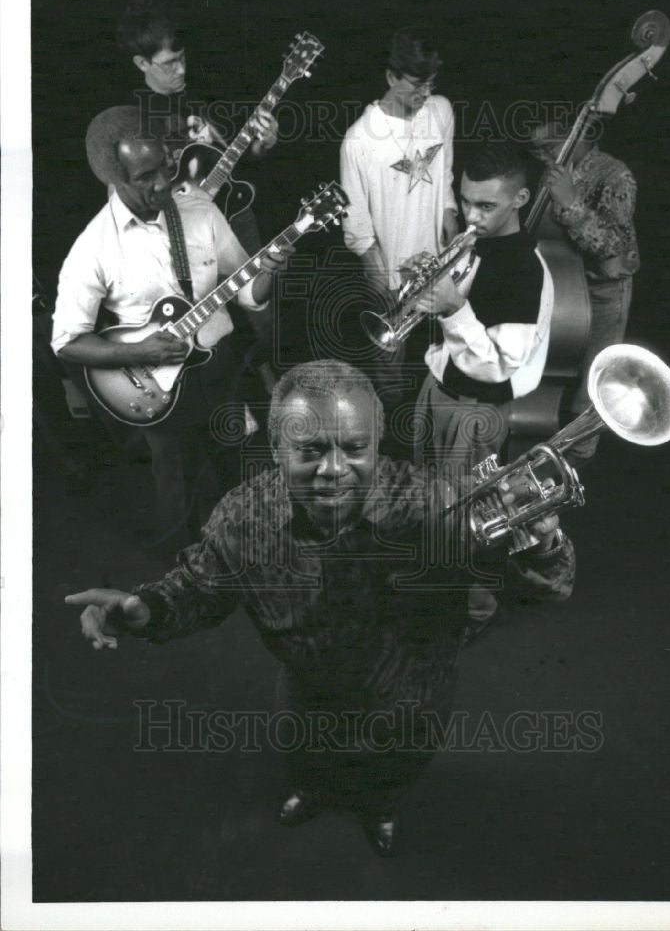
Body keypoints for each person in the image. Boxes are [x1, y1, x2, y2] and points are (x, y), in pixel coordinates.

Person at [66, 360, 575, 858]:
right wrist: (147, 609)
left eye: (354, 448)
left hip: (413, 695)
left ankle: (381, 807)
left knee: (396, 767)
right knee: (304, 758)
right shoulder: (244, 513)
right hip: (309, 689)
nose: (333, 470)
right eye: (310, 450)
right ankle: (314, 792)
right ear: (275, 448)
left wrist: (543, 546)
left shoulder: (439, 503)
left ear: (377, 444)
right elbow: (199, 587)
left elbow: (547, 591)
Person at [51, 105, 287, 557]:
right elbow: (67, 341)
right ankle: (182, 577)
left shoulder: (199, 211)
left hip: (221, 370)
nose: (163, 183)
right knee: (175, 488)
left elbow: (249, 292)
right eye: (146, 177)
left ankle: (247, 559)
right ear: (114, 178)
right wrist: (136, 350)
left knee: (241, 467)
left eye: (165, 166)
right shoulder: (94, 248)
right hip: (154, 387)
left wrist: (270, 269)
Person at [410, 141, 554, 640]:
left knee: (472, 515)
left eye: (486, 206)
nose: (471, 215)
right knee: (432, 502)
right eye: (466, 200)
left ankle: (474, 610)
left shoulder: (524, 269)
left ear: (520, 199)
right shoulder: (477, 244)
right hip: (441, 393)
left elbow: (498, 366)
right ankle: (436, 587)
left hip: (477, 411)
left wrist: (451, 308)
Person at [340, 27, 458, 412]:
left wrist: (448, 211)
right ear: (391, 77)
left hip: (441, 267)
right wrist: (381, 281)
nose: (425, 94)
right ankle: (392, 441)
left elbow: (446, 175)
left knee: (446, 364)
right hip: (392, 276)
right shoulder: (358, 139)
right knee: (391, 377)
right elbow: (356, 225)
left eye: (431, 83)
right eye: (416, 84)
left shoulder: (440, 111)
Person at [116, 0, 279, 255]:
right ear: (142, 63)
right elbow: (127, 200)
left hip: (235, 216)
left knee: (258, 292)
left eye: (182, 58)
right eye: (170, 63)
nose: (181, 69)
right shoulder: (131, 119)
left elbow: (236, 159)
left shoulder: (204, 91)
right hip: (184, 237)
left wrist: (263, 144)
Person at [528, 118, 640, 461]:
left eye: (550, 147)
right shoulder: (553, 170)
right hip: (562, 285)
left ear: (577, 135)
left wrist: (571, 200)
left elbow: (611, 245)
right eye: (537, 149)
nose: (544, 156)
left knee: (593, 383)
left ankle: (576, 463)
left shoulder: (615, 174)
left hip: (602, 290)